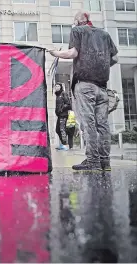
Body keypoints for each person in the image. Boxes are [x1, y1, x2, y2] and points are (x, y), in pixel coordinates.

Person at [49, 11, 118, 171]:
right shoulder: (104, 34)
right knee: (103, 125)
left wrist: (56, 53)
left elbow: (73, 53)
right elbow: (114, 58)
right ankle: (104, 162)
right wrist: (99, 67)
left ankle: (93, 162)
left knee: (89, 124)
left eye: (74, 21)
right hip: (102, 87)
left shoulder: (78, 31)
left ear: (79, 21)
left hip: (85, 85)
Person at [54, 83, 71, 151]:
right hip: (59, 115)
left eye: (58, 86)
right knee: (57, 130)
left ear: (61, 87)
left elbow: (68, 103)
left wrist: (61, 109)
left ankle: (65, 145)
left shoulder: (63, 93)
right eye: (56, 86)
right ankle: (63, 144)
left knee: (62, 129)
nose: (57, 87)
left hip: (63, 115)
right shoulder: (57, 95)